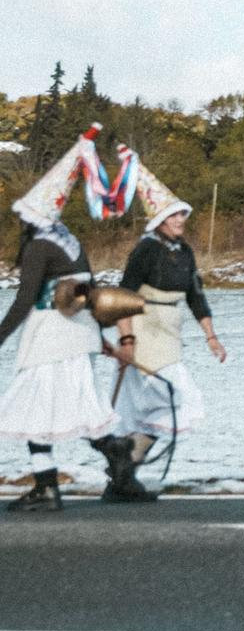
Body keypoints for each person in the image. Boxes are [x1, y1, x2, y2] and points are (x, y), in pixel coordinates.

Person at [0, 129, 145, 510]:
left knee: (34, 411)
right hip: (78, 335)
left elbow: (25, 299)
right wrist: (101, 337)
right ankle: (116, 453)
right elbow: (93, 292)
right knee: (76, 408)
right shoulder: (69, 239)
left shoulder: (38, 246)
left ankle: (49, 487)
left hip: (50, 335)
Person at [108, 147, 226, 497]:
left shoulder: (184, 251)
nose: (180, 221)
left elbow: (195, 295)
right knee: (177, 399)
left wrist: (211, 337)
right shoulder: (145, 250)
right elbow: (124, 295)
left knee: (156, 407)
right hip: (143, 328)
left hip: (169, 331)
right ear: (158, 220)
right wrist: (126, 341)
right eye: (174, 216)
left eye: (182, 216)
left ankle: (122, 475)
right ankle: (124, 461)